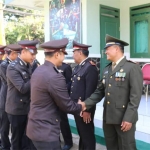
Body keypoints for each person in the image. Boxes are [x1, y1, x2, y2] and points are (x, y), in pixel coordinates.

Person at [79, 34, 143, 150]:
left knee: (126, 147)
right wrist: (85, 104)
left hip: (124, 119)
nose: (105, 52)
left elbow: (135, 97)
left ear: (116, 49)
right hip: (108, 118)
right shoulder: (107, 69)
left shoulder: (132, 68)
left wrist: (128, 118)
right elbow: (99, 92)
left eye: (107, 49)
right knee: (111, 146)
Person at [26, 38, 84, 150]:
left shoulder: (39, 70)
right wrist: (81, 106)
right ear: (57, 54)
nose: (63, 58)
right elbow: (66, 105)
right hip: (46, 132)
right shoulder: (55, 76)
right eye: (63, 54)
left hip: (34, 128)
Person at [5, 40, 38, 150]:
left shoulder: (27, 65)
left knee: (27, 138)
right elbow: (23, 88)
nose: (33, 57)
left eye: (34, 54)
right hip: (16, 109)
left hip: (27, 107)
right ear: (23, 52)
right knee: (17, 139)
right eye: (32, 54)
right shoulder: (13, 67)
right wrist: (36, 76)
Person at [70, 41, 98, 150]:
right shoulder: (78, 67)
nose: (73, 55)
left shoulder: (90, 67)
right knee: (82, 133)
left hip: (85, 108)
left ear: (80, 53)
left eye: (74, 52)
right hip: (78, 107)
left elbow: (90, 91)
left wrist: (87, 110)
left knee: (87, 135)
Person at [0, 44, 21, 150]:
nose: (19, 56)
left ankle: (14, 145)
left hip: (13, 99)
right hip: (5, 98)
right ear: (12, 54)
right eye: (18, 54)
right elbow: (11, 82)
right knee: (4, 124)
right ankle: (5, 145)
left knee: (14, 125)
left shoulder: (16, 64)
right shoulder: (4, 65)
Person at [58, 62, 73, 150]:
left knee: (63, 121)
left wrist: (60, 90)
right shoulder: (50, 66)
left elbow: (70, 82)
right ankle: (57, 141)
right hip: (51, 99)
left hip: (61, 98)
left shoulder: (65, 67)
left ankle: (68, 142)